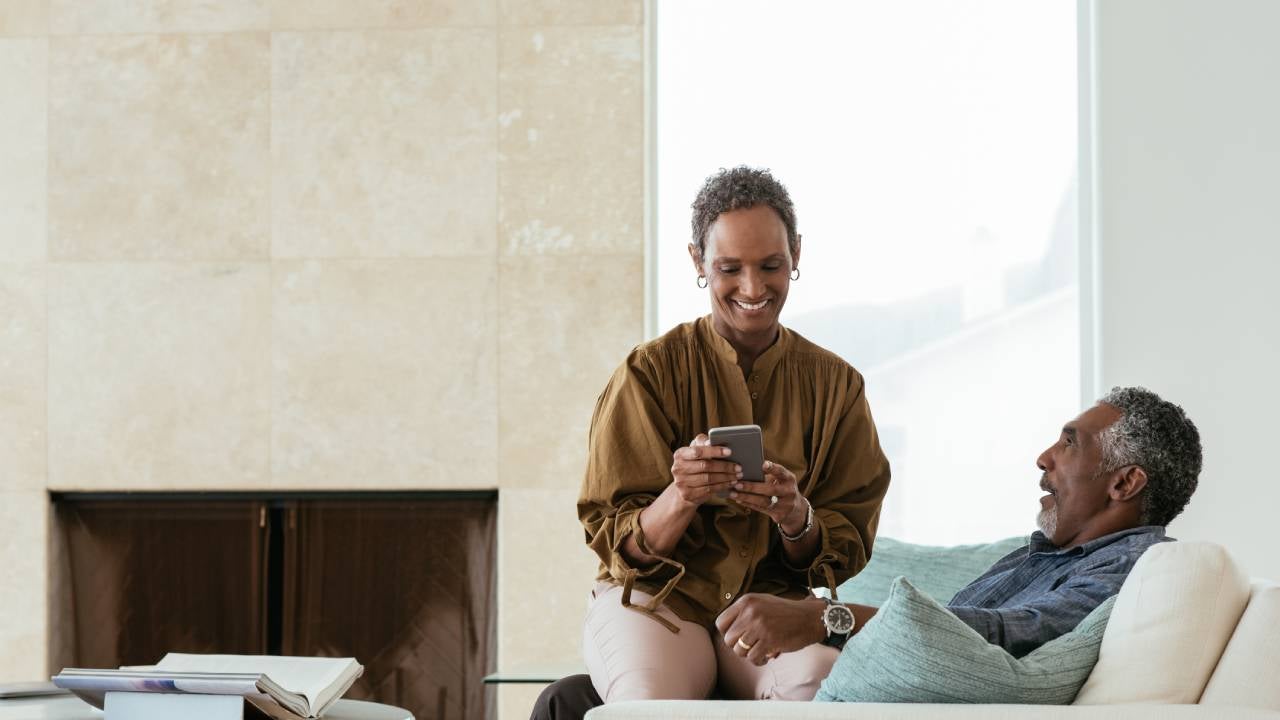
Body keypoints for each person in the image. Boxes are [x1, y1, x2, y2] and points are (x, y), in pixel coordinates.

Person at [535, 385, 1202, 719]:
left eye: (1070, 444)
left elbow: (1007, 635)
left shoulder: (1132, 571)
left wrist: (824, 618)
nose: (1044, 458)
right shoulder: (1049, 556)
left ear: (1125, 483)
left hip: (861, 704)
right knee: (573, 701)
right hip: (851, 686)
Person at [576, 166, 893, 705]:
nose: (753, 288)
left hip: (770, 608)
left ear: (797, 253)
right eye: (729, 268)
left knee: (815, 682)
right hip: (658, 604)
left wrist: (797, 518)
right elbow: (614, 543)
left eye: (771, 265)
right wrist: (681, 496)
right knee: (648, 702)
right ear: (699, 262)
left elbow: (849, 544)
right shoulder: (647, 374)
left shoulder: (836, 386)